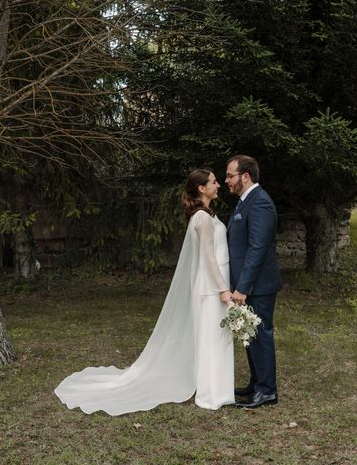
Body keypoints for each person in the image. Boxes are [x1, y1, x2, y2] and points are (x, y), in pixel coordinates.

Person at [54, 169, 235, 415]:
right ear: (202, 188)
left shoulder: (204, 215)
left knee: (215, 337)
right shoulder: (202, 219)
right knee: (210, 339)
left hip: (213, 284)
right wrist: (223, 289)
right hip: (211, 288)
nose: (218, 185)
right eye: (214, 182)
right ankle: (210, 394)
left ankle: (218, 390)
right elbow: (207, 258)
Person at [225, 155, 282, 409]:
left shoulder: (260, 203)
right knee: (250, 335)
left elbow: (257, 248)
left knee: (260, 334)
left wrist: (243, 287)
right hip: (248, 285)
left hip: (258, 286)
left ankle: (267, 390)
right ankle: (257, 382)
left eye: (230, 175)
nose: (227, 180)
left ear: (245, 176)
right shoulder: (243, 203)